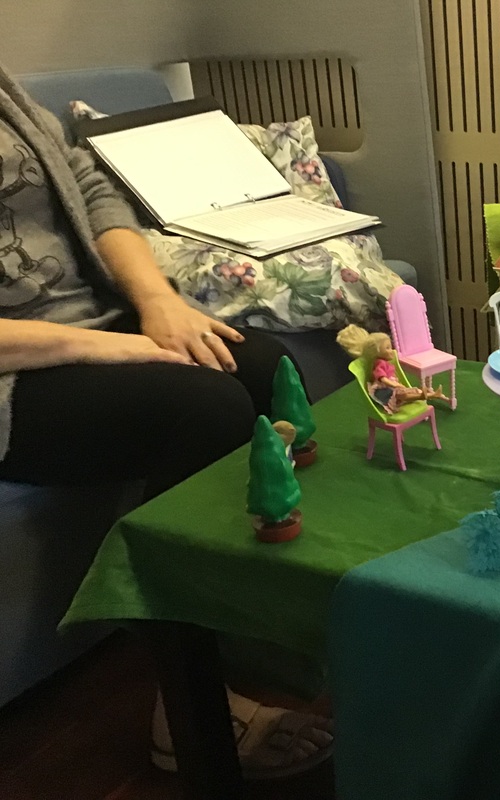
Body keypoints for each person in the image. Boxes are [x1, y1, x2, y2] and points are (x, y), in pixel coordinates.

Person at [0, 64, 332, 777]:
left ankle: (270, 630)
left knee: (260, 364)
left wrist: (157, 302)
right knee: (204, 407)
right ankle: (190, 707)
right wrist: (111, 347)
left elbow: (91, 187)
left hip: (94, 322)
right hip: (16, 372)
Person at [336, 324, 445, 412]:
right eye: (387, 348)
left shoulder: (385, 363)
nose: (391, 350)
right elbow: (382, 378)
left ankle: (432, 394)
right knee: (402, 394)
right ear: (377, 351)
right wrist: (395, 384)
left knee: (411, 390)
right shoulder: (379, 364)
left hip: (390, 389)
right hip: (383, 392)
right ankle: (422, 396)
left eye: (390, 347)